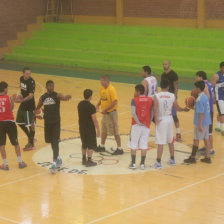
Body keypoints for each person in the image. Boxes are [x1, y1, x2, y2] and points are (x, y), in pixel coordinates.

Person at [34, 80, 72, 173]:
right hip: (47, 123)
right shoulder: (43, 97)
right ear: (46, 87)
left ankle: (54, 164)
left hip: (56, 122)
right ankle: (58, 158)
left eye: (53, 86)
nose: (52, 87)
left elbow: (62, 97)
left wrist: (65, 97)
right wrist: (37, 115)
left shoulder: (56, 95)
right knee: (50, 141)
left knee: (55, 142)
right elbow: (37, 108)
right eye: (50, 86)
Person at [153, 79, 188, 168]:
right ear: (168, 87)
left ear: (160, 86)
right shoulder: (172, 96)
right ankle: (172, 160)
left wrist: (156, 120)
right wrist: (184, 109)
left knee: (160, 142)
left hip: (161, 120)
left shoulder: (156, 96)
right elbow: (177, 108)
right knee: (170, 141)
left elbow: (155, 109)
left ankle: (158, 162)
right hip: (169, 119)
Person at [0, 81, 27, 170]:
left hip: (0, 123)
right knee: (15, 143)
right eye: (7, 88)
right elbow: (11, 108)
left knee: (2, 144)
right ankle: (20, 162)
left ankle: (5, 164)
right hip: (10, 123)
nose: (7, 89)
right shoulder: (10, 98)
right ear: (4, 89)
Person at [184, 81, 212, 164]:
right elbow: (201, 110)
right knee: (206, 139)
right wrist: (192, 107)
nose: (194, 89)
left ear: (198, 89)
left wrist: (200, 125)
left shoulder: (199, 100)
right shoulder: (204, 96)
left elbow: (201, 114)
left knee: (196, 139)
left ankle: (192, 158)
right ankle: (208, 157)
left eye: (195, 88)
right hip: (207, 121)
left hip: (201, 123)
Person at [96, 75, 123, 155]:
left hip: (111, 113)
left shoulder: (111, 89)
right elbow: (102, 98)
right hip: (105, 113)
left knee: (115, 130)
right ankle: (102, 146)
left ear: (107, 81)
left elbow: (115, 102)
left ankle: (119, 148)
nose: (100, 82)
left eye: (102, 80)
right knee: (104, 129)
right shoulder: (102, 89)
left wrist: (106, 110)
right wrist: (97, 105)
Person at [128, 84, 152, 170]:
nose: (134, 93)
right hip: (146, 126)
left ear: (138, 91)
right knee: (144, 145)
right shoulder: (150, 100)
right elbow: (152, 112)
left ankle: (133, 164)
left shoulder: (134, 100)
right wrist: (149, 122)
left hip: (136, 125)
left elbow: (133, 113)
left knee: (133, 144)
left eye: (135, 91)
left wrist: (138, 122)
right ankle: (142, 164)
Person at [14, 67, 36, 151]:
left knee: (30, 125)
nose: (29, 75)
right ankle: (30, 137)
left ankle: (31, 144)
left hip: (29, 106)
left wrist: (21, 100)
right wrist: (18, 97)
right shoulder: (21, 79)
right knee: (19, 122)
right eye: (27, 73)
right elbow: (23, 92)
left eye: (30, 73)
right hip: (23, 104)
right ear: (23, 73)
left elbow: (31, 95)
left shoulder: (31, 81)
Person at [78, 89, 100, 167]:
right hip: (89, 128)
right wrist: (98, 129)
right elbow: (94, 119)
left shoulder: (80, 104)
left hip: (82, 127)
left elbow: (85, 112)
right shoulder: (91, 107)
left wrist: (94, 110)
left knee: (84, 143)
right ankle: (89, 160)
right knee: (90, 144)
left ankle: (83, 159)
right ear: (90, 96)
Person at [161, 60, 182, 141]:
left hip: (171, 97)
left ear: (169, 65)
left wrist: (175, 98)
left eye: (166, 64)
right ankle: (166, 134)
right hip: (164, 98)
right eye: (163, 64)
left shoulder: (173, 74)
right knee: (165, 115)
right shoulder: (163, 75)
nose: (164, 65)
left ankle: (178, 133)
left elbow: (176, 87)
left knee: (174, 115)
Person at [195, 71, 215, 155]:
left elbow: (208, 97)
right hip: (210, 109)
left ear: (201, 77)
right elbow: (213, 98)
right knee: (207, 131)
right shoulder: (209, 84)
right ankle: (207, 147)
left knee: (208, 132)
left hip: (207, 111)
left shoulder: (204, 85)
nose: (196, 79)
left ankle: (211, 150)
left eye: (197, 77)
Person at [211, 61, 224, 136]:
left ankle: (218, 126)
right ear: (221, 68)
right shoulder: (216, 76)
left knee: (220, 112)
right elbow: (211, 87)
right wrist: (213, 97)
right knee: (222, 113)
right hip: (219, 97)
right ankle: (223, 129)